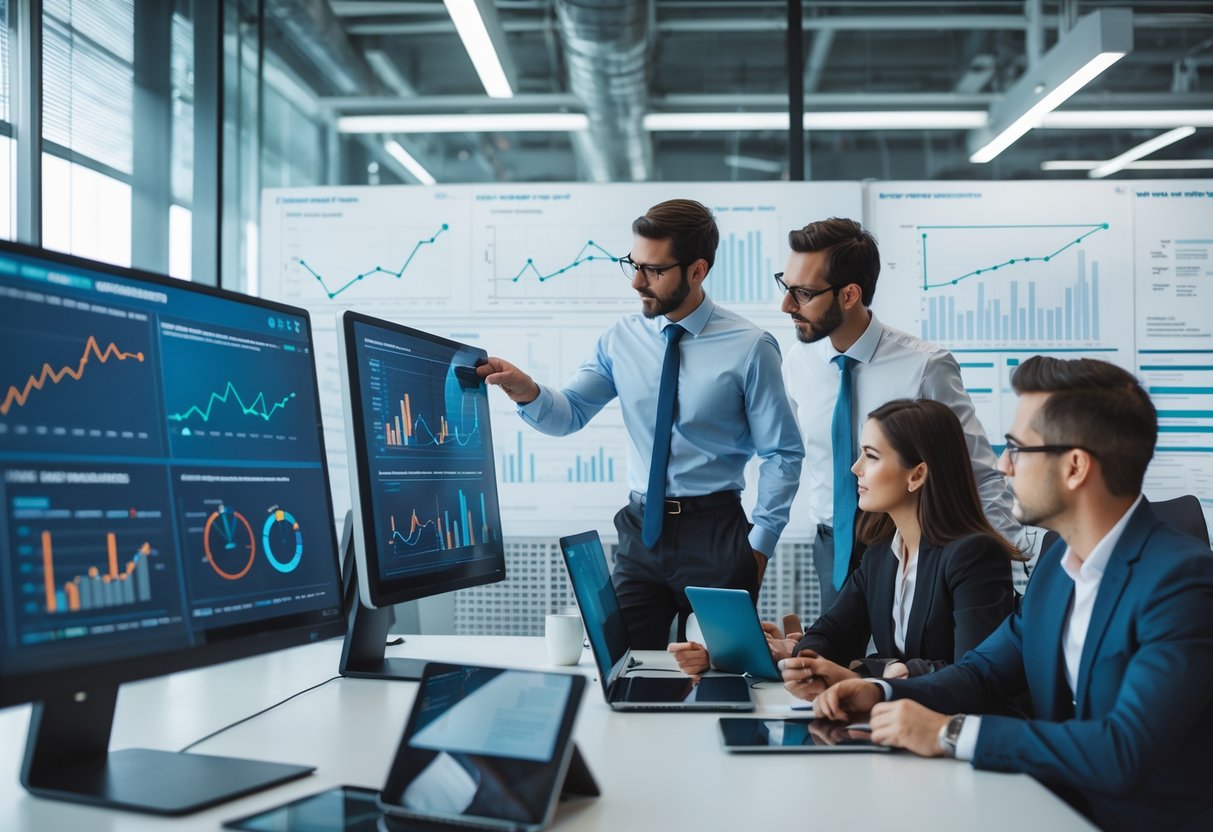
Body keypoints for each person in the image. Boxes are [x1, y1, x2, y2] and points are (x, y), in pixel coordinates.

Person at [814, 356, 1213, 832]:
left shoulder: (1183, 583)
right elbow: (983, 670)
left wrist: (948, 732)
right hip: (1040, 806)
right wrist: (879, 691)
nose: (1002, 466)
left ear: (1075, 467)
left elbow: (1121, 750)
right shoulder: (1057, 567)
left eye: (1017, 449)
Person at [477, 199, 804, 649]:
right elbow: (570, 412)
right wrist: (526, 390)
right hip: (640, 533)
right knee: (621, 663)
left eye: (653, 270)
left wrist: (758, 547)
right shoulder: (620, 339)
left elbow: (782, 453)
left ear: (697, 271)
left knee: (722, 673)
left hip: (716, 534)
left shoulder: (750, 347)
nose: (636, 282)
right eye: (632, 264)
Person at [672, 399, 1018, 686]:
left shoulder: (973, 555)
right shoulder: (883, 553)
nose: (855, 468)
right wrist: (794, 656)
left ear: (917, 474)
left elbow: (976, 675)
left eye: (871, 455)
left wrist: (871, 671)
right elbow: (831, 632)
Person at [778, 218, 1024, 612]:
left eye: (803, 293)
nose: (786, 305)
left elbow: (979, 472)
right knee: (837, 659)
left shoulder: (925, 366)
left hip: (909, 540)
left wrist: (1002, 570)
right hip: (832, 543)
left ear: (849, 295)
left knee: (911, 660)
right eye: (786, 286)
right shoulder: (797, 362)